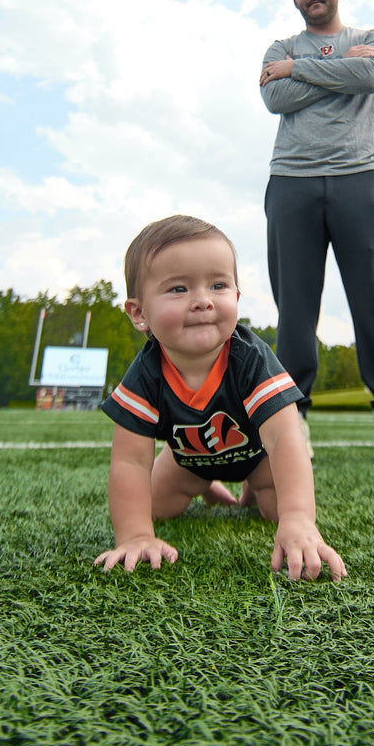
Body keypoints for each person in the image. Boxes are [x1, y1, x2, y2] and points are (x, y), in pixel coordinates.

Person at [94, 214, 346, 582]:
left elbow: (285, 438)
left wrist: (298, 518)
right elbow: (130, 462)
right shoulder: (146, 373)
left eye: (218, 285)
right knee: (155, 508)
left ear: (237, 297)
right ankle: (208, 486)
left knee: (276, 508)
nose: (202, 301)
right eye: (178, 289)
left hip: (257, 457)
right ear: (139, 312)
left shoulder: (251, 359)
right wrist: (134, 536)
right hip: (188, 461)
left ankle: (253, 487)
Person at [259, 0, 374, 466]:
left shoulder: (370, 37)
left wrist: (302, 71)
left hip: (361, 177)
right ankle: (293, 422)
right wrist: (336, 71)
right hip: (292, 181)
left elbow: (371, 76)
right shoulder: (279, 47)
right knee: (296, 310)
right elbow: (275, 97)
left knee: (372, 303)